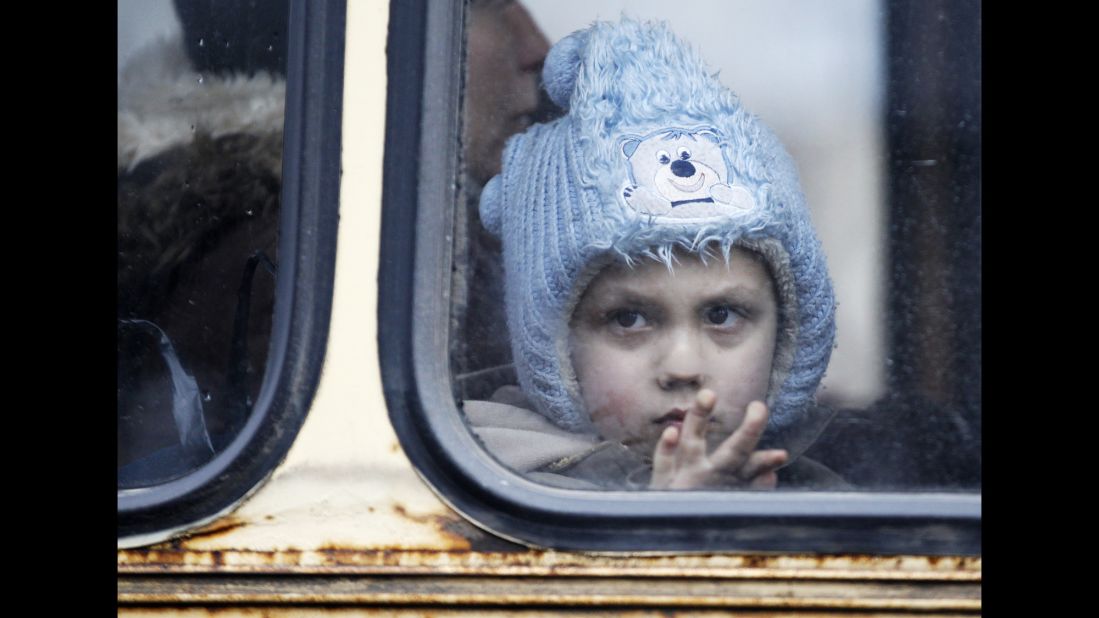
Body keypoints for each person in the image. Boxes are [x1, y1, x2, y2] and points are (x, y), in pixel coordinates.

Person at [461, 19, 847, 490]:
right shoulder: (492, 492)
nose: (683, 368)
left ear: (787, 339)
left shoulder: (828, 500)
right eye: (628, 320)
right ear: (553, 346)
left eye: (723, 314)